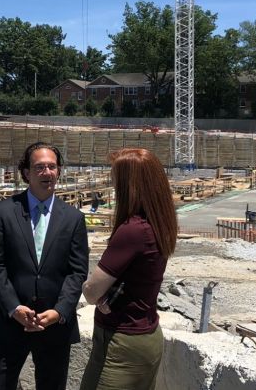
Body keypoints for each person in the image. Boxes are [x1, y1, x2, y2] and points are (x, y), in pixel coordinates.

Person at [0, 142, 89, 390]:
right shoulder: (2, 212)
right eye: (39, 167)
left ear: (59, 171)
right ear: (26, 173)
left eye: (52, 166)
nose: (47, 172)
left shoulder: (73, 218)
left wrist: (60, 311)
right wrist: (14, 308)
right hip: (10, 322)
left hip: (54, 326)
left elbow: (77, 272)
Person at [81, 148, 178, 390]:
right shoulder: (159, 223)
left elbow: (91, 292)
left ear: (129, 186)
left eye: (116, 180)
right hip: (146, 335)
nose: (114, 186)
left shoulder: (132, 230)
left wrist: (97, 292)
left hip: (122, 342)